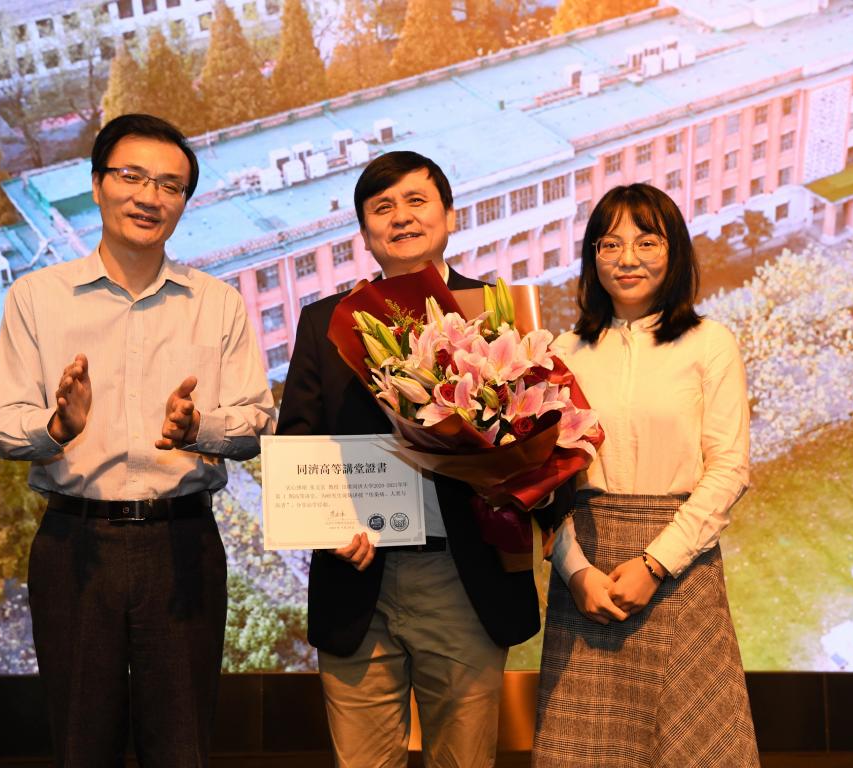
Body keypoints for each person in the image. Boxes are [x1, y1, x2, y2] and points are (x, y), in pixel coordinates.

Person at [0, 113, 275, 766]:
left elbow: (256, 422)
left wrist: (198, 429)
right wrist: (57, 428)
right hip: (75, 543)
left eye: (170, 185)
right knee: (82, 744)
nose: (150, 197)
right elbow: (0, 424)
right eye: (132, 177)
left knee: (182, 744)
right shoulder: (37, 298)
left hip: (183, 541)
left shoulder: (217, 303)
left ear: (184, 202)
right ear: (96, 185)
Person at [277, 150, 562, 767]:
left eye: (416, 201)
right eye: (382, 207)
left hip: (464, 577)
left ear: (450, 216)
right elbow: (298, 442)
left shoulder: (497, 313)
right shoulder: (325, 322)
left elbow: (541, 435)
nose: (401, 217)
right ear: (365, 234)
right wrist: (327, 526)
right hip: (357, 580)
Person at [533, 183, 759, 767]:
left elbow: (729, 468)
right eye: (609, 244)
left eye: (646, 241)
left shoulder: (709, 344)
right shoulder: (564, 352)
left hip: (681, 569)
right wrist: (575, 572)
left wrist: (655, 563)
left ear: (674, 249)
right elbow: (544, 482)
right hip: (587, 577)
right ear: (592, 258)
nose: (627, 258)